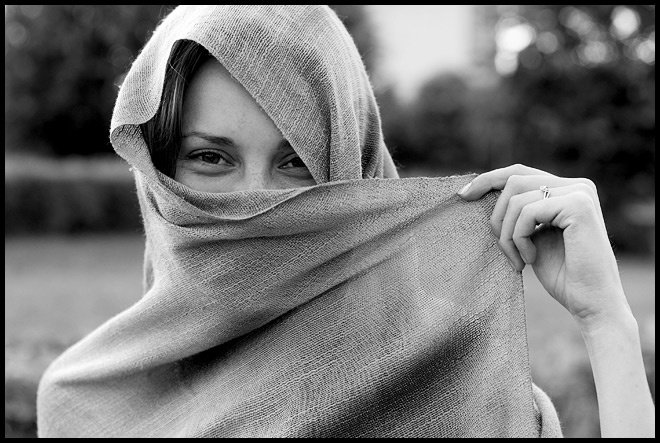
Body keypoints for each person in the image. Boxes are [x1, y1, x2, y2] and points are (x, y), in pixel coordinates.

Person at [37, 5, 654, 438]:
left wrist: (608, 325)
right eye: (210, 158)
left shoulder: (460, 389)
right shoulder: (88, 403)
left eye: (297, 163)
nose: (255, 202)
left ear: (351, 172)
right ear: (158, 174)